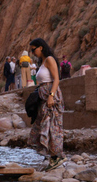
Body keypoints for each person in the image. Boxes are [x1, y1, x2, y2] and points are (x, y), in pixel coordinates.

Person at [28, 38, 67, 171]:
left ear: (41, 47)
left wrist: (51, 96)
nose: (32, 52)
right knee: (45, 126)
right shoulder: (43, 61)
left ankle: (58, 156)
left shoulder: (50, 59)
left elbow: (57, 79)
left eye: (34, 49)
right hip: (44, 98)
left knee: (54, 127)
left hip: (51, 98)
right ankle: (52, 156)